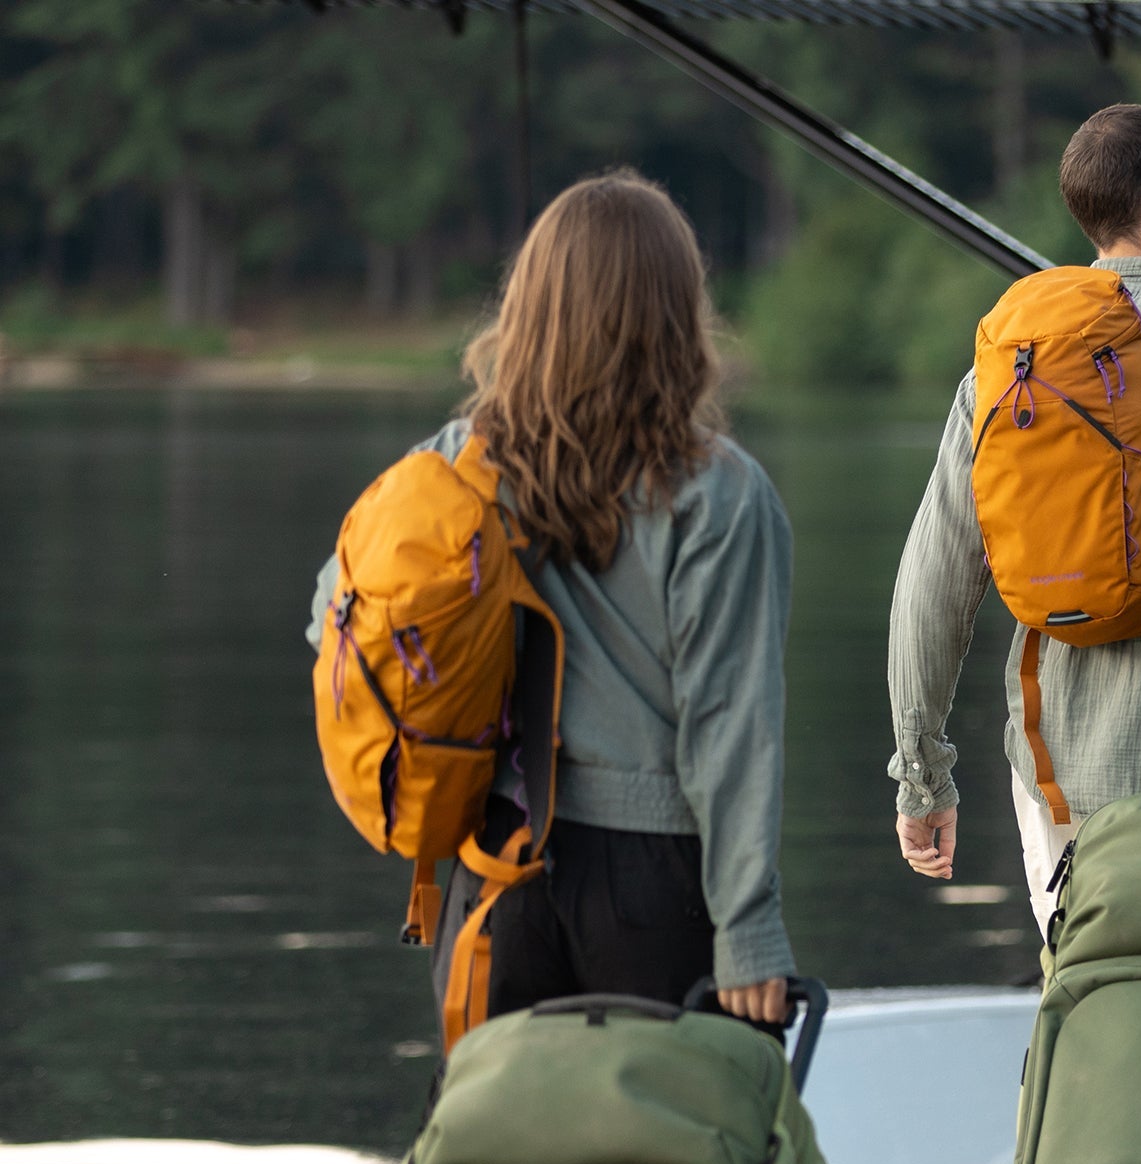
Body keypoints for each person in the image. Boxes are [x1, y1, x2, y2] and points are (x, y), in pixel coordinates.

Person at [309, 173, 795, 1030]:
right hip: (656, 885)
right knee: (678, 1155)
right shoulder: (719, 495)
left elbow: (335, 621)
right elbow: (730, 727)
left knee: (501, 1158)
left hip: (495, 868)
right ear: (678, 315)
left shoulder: (458, 462)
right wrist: (748, 931)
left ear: (528, 308)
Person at [887, 104, 1141, 937]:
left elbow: (929, 588)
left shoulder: (1008, 369)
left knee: (1082, 1022)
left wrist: (922, 779)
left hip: (1053, 787)